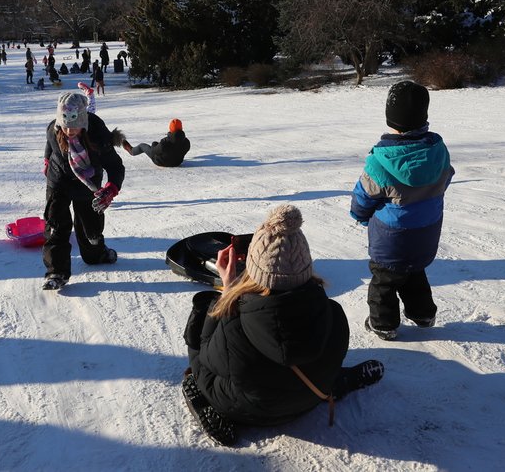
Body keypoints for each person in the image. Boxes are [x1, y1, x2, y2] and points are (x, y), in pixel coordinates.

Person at [182, 204, 384, 446]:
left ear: (252, 271)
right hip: (311, 396)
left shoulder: (233, 325)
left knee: (199, 350)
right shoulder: (332, 313)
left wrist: (228, 294)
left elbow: (206, 356)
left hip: (251, 410)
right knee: (322, 364)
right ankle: (337, 384)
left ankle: (200, 400)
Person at [350, 81, 454, 341]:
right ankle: (423, 314)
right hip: (427, 232)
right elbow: (446, 179)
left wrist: (360, 215)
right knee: (414, 272)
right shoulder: (438, 152)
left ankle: (383, 323)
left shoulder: (380, 162)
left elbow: (363, 197)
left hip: (392, 239)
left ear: (390, 119)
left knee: (384, 281)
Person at [40, 92, 125, 290]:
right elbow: (50, 144)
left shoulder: (98, 134)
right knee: (56, 225)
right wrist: (47, 160)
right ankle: (56, 271)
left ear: (84, 120)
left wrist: (111, 188)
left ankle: (97, 253)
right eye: (65, 124)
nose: (69, 130)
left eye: (74, 124)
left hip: (88, 183)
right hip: (59, 181)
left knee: (90, 230)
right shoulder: (54, 129)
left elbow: (115, 166)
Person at [122, 118, 190, 167]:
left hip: (161, 162)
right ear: (181, 128)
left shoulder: (165, 142)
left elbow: (154, 151)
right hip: (177, 163)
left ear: (171, 129)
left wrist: (154, 144)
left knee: (142, 146)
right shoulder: (186, 142)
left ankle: (132, 151)